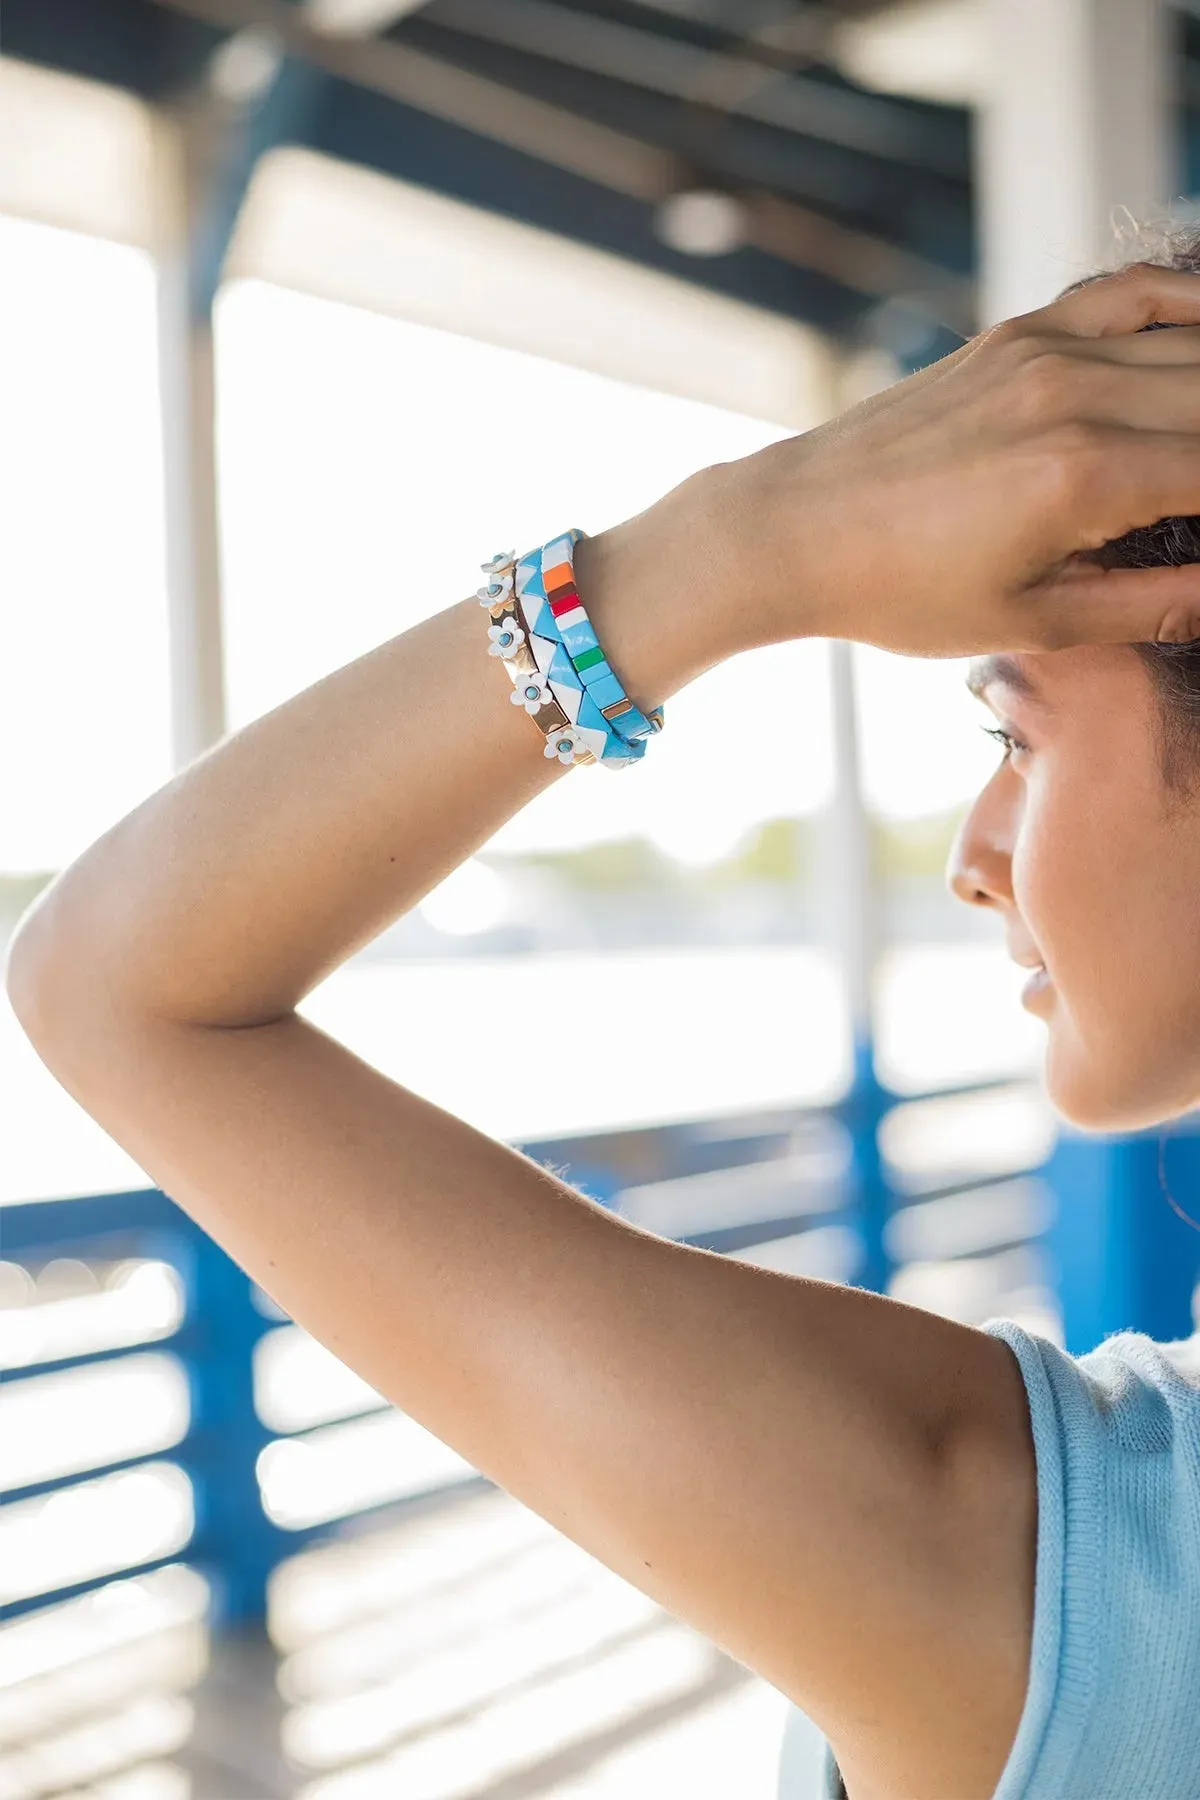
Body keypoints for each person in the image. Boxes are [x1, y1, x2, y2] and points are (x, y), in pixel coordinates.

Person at [9, 253, 1200, 1800]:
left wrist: (732, 543)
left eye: (1013, 735)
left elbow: (117, 982)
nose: (974, 857)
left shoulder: (1033, 1568)